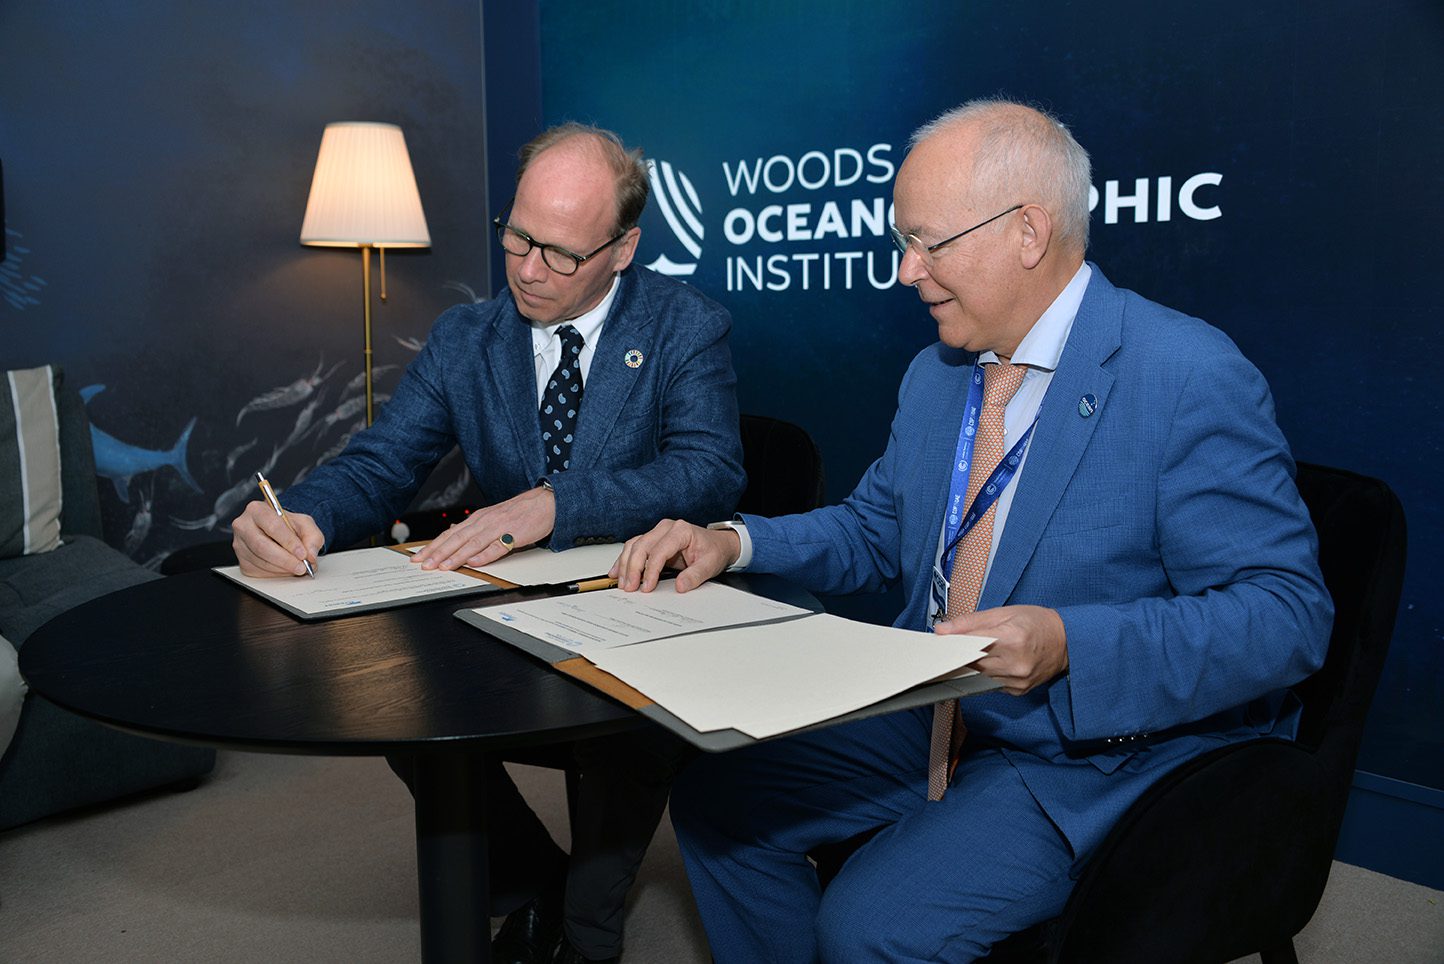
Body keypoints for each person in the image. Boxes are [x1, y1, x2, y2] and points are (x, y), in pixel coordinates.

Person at [611, 98, 1332, 962]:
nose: (907, 272)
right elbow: (877, 528)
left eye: (927, 242)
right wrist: (737, 542)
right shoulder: (938, 372)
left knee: (869, 925)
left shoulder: (1186, 374)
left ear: (1028, 230)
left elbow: (1288, 616)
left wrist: (1071, 642)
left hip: (1091, 750)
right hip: (942, 706)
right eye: (901, 242)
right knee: (715, 804)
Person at [232, 123, 745, 964]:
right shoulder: (466, 338)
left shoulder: (687, 325)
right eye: (516, 236)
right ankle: (531, 880)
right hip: (508, 611)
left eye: (560, 253)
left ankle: (586, 933)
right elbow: (383, 462)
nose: (528, 269)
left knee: (628, 728)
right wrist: (303, 516)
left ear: (622, 249)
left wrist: (556, 502)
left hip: (636, 605)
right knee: (399, 705)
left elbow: (710, 470)